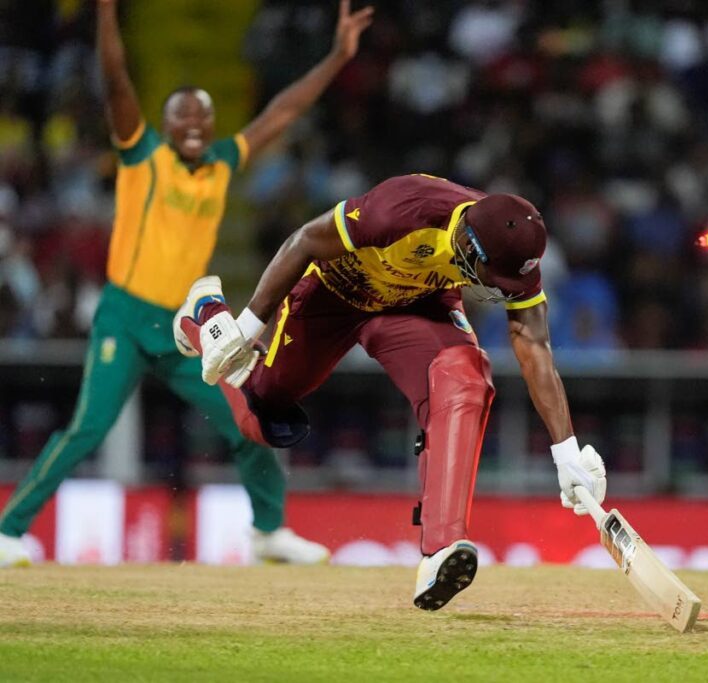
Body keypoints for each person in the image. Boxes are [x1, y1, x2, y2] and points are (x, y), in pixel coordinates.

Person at [0, 0, 374, 567]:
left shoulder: (224, 160)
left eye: (202, 117)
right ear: (165, 123)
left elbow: (283, 111)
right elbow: (115, 79)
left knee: (252, 418)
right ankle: (7, 533)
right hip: (124, 319)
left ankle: (268, 532)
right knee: (86, 429)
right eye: (183, 118)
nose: (195, 126)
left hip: (188, 328)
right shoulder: (141, 154)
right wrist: (106, 15)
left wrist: (336, 56)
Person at [173, 174, 608, 610]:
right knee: (263, 415)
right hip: (336, 292)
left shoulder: (512, 245)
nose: (496, 289)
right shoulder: (402, 208)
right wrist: (247, 329)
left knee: (466, 378)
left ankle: (441, 550)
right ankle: (205, 314)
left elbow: (532, 341)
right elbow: (306, 240)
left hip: (416, 305)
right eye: (491, 277)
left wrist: (566, 452)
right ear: (466, 243)